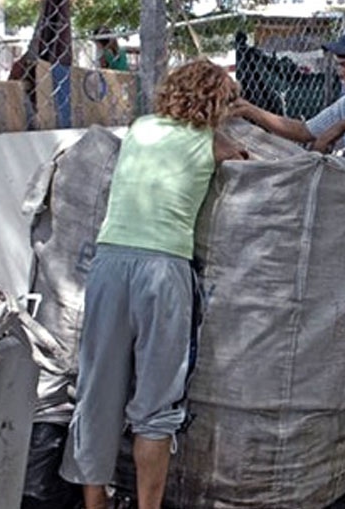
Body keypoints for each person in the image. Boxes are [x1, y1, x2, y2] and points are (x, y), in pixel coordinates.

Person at [59, 59, 244, 509]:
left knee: (98, 392)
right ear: (217, 102)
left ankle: (95, 504)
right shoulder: (213, 142)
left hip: (109, 263)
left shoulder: (140, 127)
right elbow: (247, 163)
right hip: (163, 270)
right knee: (156, 408)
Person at [230, 25, 345, 163]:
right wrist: (250, 109)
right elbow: (304, 131)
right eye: (339, 65)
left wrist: (344, 126)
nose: (340, 72)